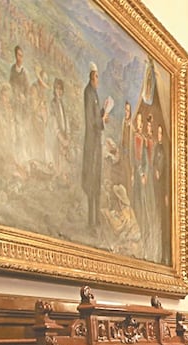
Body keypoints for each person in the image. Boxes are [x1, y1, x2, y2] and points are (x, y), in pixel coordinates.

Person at [81, 62, 108, 228]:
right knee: (91, 181)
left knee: (96, 181)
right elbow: (91, 120)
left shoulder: (95, 94)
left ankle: (96, 219)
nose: (98, 79)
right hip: (92, 144)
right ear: (91, 77)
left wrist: (103, 114)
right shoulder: (88, 93)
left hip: (96, 144)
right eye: (96, 76)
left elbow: (96, 116)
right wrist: (101, 120)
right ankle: (91, 221)